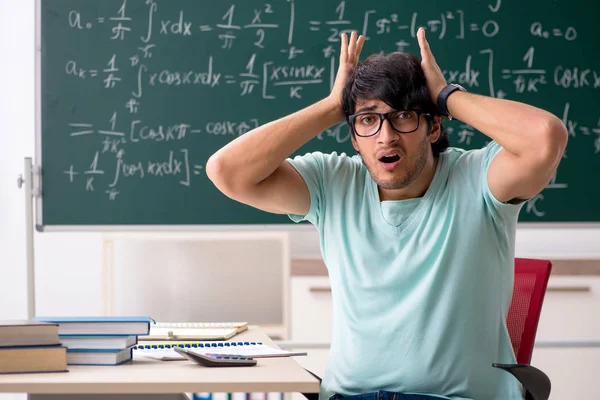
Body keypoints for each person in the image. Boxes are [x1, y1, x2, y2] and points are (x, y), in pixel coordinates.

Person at [206, 28, 567, 400]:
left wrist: (446, 95)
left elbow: (545, 137)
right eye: (367, 120)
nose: (386, 137)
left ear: (434, 125)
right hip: (351, 396)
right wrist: (335, 105)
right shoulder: (333, 183)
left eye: (404, 116)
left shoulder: (479, 179)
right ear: (353, 134)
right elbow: (227, 172)